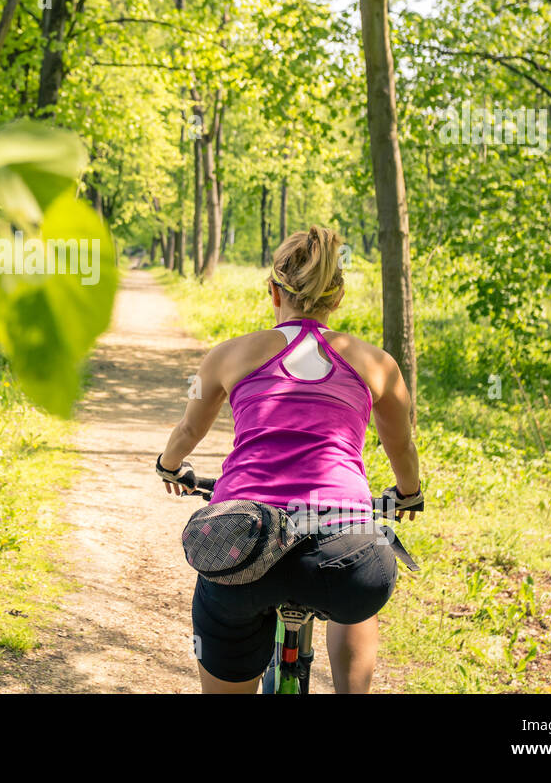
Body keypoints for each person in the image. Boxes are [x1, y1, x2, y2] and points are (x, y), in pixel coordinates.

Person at [156, 226, 423, 693]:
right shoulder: (376, 363)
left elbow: (189, 431)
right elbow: (400, 446)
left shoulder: (227, 356)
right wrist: (408, 494)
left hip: (247, 541)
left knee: (226, 604)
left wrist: (170, 464)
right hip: (347, 555)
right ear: (336, 298)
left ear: (272, 292)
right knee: (355, 598)